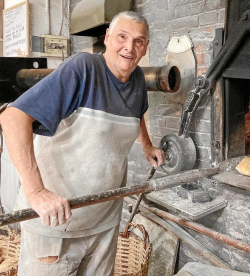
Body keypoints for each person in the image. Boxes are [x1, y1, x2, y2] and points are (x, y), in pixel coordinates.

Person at [0, 11, 164, 275]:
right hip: (56, 224)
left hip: (104, 221)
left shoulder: (137, 81)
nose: (129, 47)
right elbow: (12, 117)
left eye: (138, 41)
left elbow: (137, 115)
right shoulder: (84, 68)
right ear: (108, 37)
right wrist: (36, 192)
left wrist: (147, 146)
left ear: (145, 48)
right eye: (122, 36)